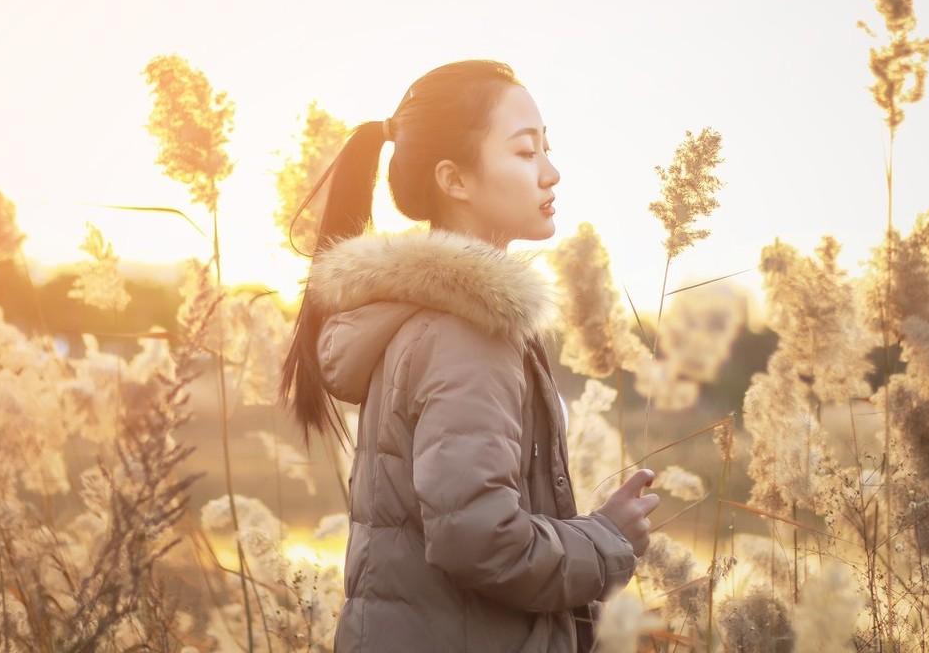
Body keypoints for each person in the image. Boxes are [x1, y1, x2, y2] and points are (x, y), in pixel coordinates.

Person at [280, 60, 662, 652]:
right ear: (454, 180)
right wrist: (607, 538)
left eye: (547, 150)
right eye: (525, 152)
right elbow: (478, 541)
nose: (551, 173)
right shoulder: (466, 332)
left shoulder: (430, 317)